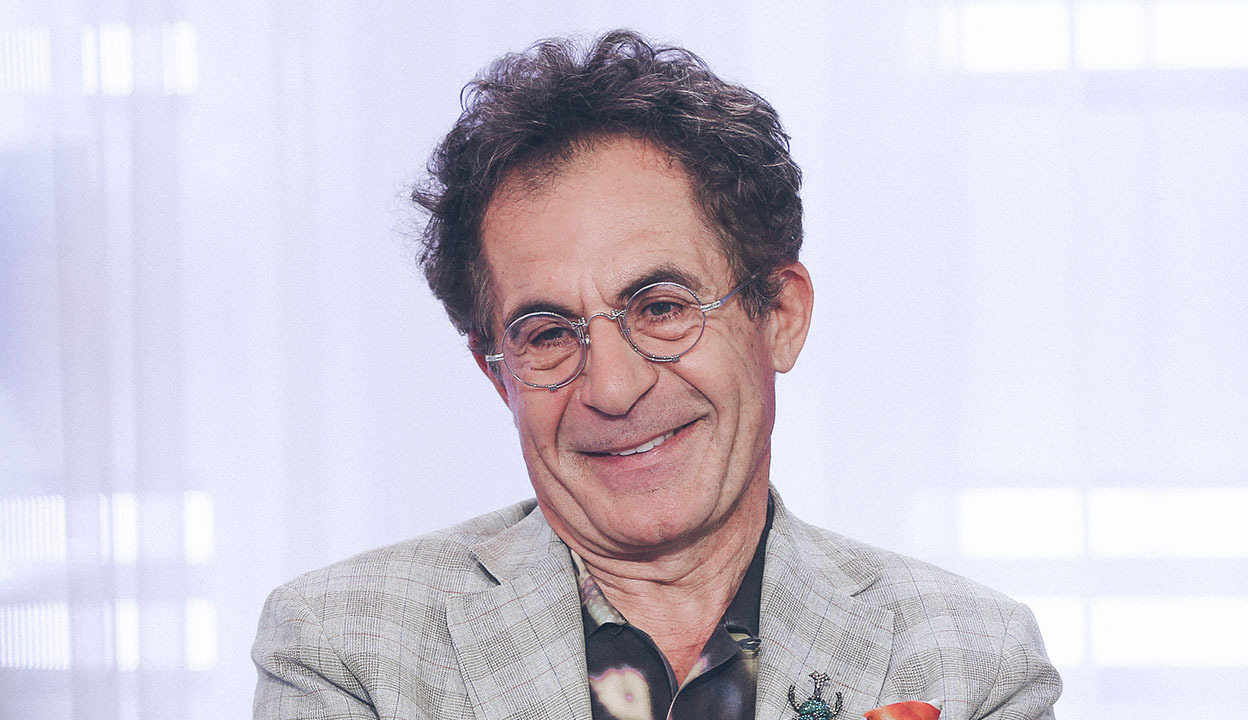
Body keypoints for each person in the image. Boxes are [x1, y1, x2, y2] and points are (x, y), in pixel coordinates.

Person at [251, 30, 1062, 720]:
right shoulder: (345, 649)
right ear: (499, 375)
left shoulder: (967, 661)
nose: (613, 388)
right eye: (547, 335)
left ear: (779, 315)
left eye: (662, 307)